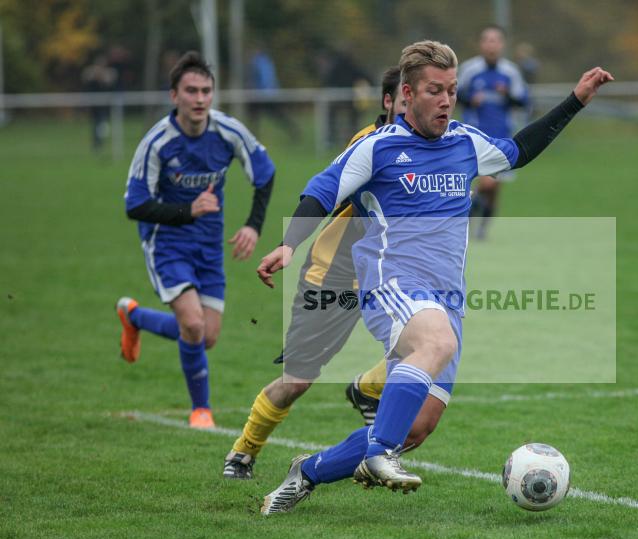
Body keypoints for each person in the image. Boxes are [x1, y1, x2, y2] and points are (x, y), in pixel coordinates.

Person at [255, 40, 613, 514]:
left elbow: (518, 151)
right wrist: (289, 242)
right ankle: (380, 454)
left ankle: (308, 472)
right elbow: (323, 190)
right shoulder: (378, 149)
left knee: (416, 427)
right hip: (392, 283)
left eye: (451, 90)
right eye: (434, 90)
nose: (445, 100)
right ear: (406, 94)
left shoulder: (466, 143)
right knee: (434, 347)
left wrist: (576, 101)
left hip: (447, 299)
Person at [222, 66, 435, 479]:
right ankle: (243, 451)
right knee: (297, 381)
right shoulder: (371, 144)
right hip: (333, 277)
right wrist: (289, 242)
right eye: (403, 100)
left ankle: (367, 389)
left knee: (429, 346)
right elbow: (324, 189)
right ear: (389, 102)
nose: (413, 107)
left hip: (387, 280)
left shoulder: (430, 147)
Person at [116, 51, 276, 428]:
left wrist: (253, 224)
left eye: (206, 90)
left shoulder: (228, 132)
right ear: (175, 96)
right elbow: (134, 205)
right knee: (191, 324)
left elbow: (265, 175)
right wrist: (187, 211)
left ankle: (133, 316)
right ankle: (201, 410)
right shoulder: (157, 143)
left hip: (209, 244)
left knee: (206, 337)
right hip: (166, 243)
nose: (200, 98)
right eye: (191, 91)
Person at [458, 25, 529, 240]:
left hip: (501, 138)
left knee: (494, 189)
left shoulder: (510, 72)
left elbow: (523, 102)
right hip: (475, 138)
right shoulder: (470, 69)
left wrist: (507, 96)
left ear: (502, 45)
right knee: (485, 182)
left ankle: (481, 230)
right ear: (481, 44)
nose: (491, 45)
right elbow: (455, 95)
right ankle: (465, 225)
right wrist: (471, 100)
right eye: (487, 40)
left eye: (495, 40)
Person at [248, 46, 301, 142]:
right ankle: (253, 137)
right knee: (256, 116)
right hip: (264, 94)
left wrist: (264, 91)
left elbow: (266, 79)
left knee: (275, 115)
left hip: (264, 95)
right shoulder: (265, 61)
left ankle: (294, 131)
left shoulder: (259, 62)